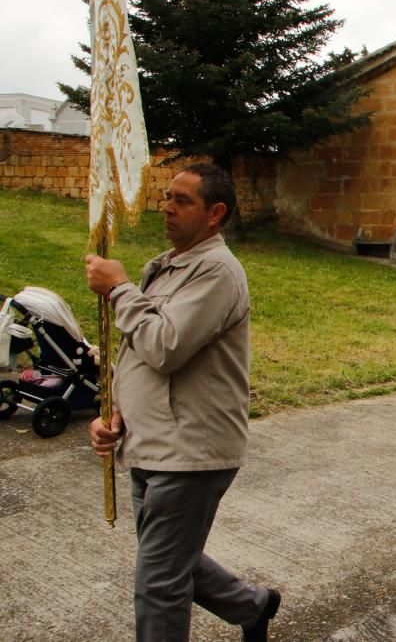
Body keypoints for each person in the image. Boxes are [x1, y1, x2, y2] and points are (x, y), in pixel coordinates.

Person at [84, 164, 281, 642]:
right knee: (172, 559)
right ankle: (252, 606)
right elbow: (138, 356)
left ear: (215, 214)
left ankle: (252, 607)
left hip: (190, 449)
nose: (166, 207)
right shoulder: (168, 265)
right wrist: (115, 412)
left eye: (182, 200)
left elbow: (165, 347)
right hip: (150, 440)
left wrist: (119, 290)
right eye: (166, 196)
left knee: (158, 582)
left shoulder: (217, 271)